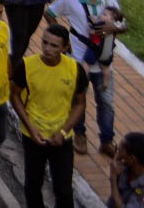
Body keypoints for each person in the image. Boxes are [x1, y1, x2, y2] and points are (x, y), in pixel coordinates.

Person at [47, 0, 126, 156]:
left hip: (104, 61)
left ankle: (107, 140)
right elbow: (50, 13)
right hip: (79, 60)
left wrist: (114, 27)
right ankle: (80, 135)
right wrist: (61, 38)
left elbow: (124, 24)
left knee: (106, 103)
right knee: (77, 101)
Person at [10, 25, 87, 208]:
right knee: (32, 186)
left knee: (64, 190)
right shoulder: (27, 66)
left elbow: (80, 104)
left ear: (65, 48)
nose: (47, 49)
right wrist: (30, 127)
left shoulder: (75, 70)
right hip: (33, 136)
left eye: (54, 45)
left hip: (62, 138)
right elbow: (14, 96)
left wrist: (63, 131)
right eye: (44, 43)